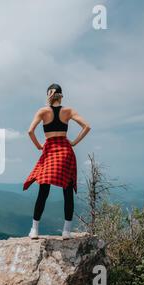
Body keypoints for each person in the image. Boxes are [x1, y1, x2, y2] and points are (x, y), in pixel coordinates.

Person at [23, 83, 91, 239]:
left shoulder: (43, 111)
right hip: (65, 151)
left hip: (49, 150)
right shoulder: (68, 111)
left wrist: (39, 146)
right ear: (61, 96)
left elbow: (30, 131)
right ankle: (66, 231)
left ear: (49, 95)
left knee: (43, 190)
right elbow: (86, 126)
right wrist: (73, 142)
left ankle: (34, 229)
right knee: (67, 191)